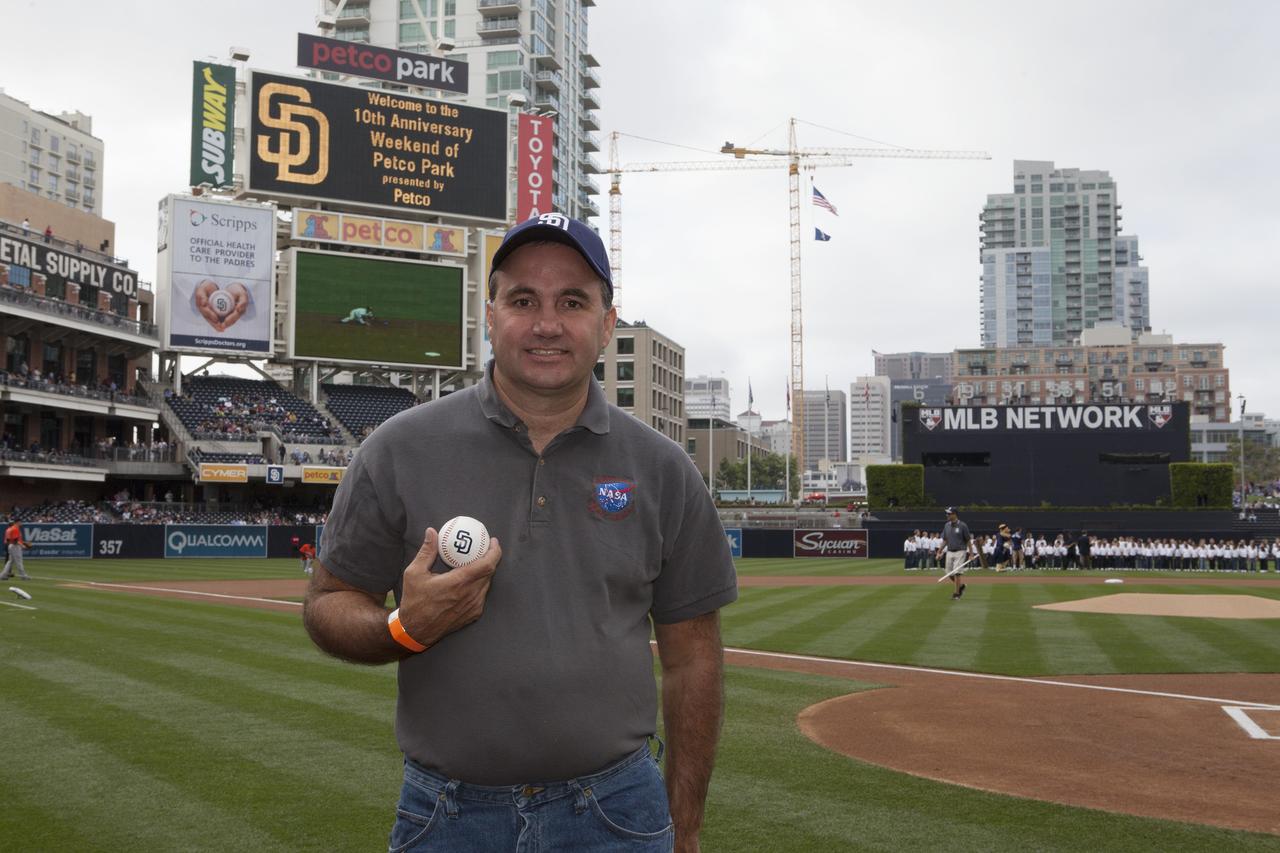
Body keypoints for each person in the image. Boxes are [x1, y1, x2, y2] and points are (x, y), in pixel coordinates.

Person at [303, 212, 738, 852]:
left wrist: (685, 825)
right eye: (523, 300)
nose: (546, 324)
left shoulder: (664, 468)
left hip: (617, 814)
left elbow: (692, 657)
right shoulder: (399, 448)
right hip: (448, 816)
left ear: (607, 323)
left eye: (573, 301)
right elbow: (328, 603)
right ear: (490, 314)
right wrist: (404, 628)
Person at [936, 507, 978, 599]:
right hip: (949, 551)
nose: (947, 515)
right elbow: (945, 540)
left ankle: (957, 594)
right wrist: (939, 551)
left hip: (960, 551)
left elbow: (968, 540)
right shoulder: (946, 525)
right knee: (949, 573)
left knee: (957, 572)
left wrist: (971, 554)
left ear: (954, 514)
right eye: (947, 513)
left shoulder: (963, 525)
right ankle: (961, 586)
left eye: (949, 514)